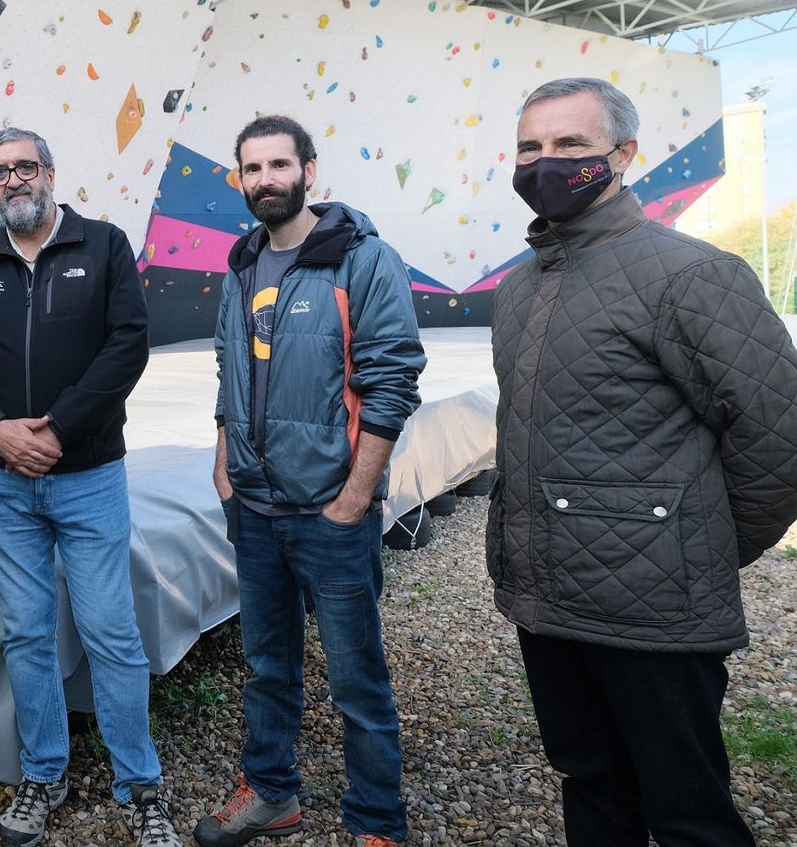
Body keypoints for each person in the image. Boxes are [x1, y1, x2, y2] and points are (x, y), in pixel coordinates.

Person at [489, 76, 797, 846]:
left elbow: (778, 434)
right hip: (550, 605)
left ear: (623, 155)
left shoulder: (691, 274)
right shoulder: (520, 286)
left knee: (688, 811)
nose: (545, 162)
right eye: (530, 146)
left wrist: (700, 548)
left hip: (655, 616)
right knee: (592, 783)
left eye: (570, 145)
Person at [0, 128, 178, 847]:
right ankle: (44, 773)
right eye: (0, 172)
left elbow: (127, 342)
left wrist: (59, 428)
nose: (13, 181)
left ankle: (139, 785)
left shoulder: (103, 246)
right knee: (27, 633)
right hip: (1, 483)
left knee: (111, 632)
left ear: (51, 172)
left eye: (25, 167)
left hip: (88, 476)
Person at [201, 115, 423, 847]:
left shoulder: (363, 259)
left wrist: (354, 498)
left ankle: (376, 821)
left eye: (277, 164)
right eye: (251, 167)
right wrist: (223, 461)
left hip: (330, 510)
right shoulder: (239, 264)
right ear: (239, 178)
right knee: (268, 665)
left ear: (308, 170)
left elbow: (392, 382)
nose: (264, 178)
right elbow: (229, 370)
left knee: (357, 680)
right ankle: (271, 792)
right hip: (255, 508)